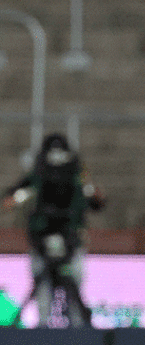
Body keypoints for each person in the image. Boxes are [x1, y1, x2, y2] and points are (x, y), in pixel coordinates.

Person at [1, 133, 105, 328]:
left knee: (70, 286)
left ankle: (71, 330)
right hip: (45, 241)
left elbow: (96, 201)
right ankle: (56, 329)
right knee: (46, 287)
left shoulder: (76, 177)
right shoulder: (43, 176)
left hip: (70, 241)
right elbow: (13, 198)